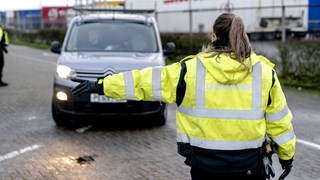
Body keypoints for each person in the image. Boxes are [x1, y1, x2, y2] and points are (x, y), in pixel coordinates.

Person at [71, 13, 296, 179]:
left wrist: (99, 85)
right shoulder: (264, 73)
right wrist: (287, 157)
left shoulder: (189, 71)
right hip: (249, 167)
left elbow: (142, 82)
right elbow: (281, 123)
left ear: (214, 36)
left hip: (205, 167)